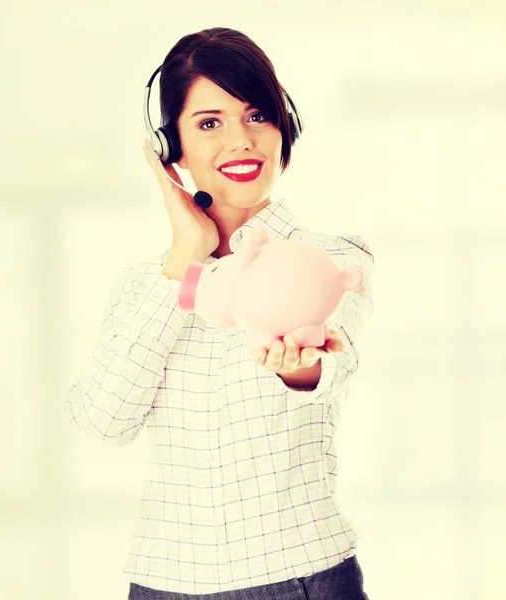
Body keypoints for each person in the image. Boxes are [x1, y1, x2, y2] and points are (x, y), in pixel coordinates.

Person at [65, 27, 375, 600]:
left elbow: (330, 368)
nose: (242, 140)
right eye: (209, 122)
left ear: (286, 131)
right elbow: (103, 421)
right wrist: (188, 256)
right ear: (171, 148)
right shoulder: (146, 284)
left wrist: (297, 366)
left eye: (258, 116)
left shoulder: (332, 257)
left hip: (300, 577)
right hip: (163, 583)